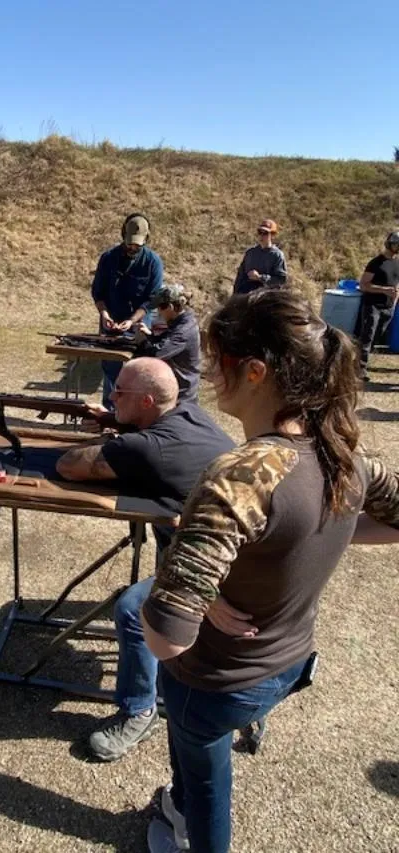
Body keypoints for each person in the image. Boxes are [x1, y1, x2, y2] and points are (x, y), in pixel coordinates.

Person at [140, 289, 399, 853]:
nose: (209, 373)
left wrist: (177, 578)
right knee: (193, 769)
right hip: (290, 661)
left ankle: (192, 831)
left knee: (206, 782)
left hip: (215, 682)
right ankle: (178, 807)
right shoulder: (348, 457)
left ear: (254, 371)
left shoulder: (238, 476)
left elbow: (163, 639)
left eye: (218, 360)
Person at [55, 358, 237, 762]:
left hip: (222, 572)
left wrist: (105, 437)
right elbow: (153, 434)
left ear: (149, 400)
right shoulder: (190, 412)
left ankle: (140, 709)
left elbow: (67, 465)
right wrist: (117, 421)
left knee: (135, 610)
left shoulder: (144, 448)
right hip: (242, 554)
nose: (111, 396)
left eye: (121, 393)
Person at [91, 214, 163, 407]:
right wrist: (105, 315)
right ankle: (109, 412)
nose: (132, 248)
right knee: (111, 369)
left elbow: (152, 299)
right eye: (130, 243)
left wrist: (132, 321)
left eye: (137, 245)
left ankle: (135, 413)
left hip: (139, 322)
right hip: (111, 320)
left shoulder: (153, 262)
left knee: (139, 370)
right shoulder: (108, 258)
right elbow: (98, 293)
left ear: (146, 240)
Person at [133, 284, 201, 403]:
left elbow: (157, 354)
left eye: (159, 309)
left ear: (169, 307)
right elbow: (164, 342)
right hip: (176, 388)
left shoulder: (183, 330)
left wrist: (142, 341)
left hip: (182, 395)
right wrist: (149, 336)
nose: (159, 313)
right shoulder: (181, 323)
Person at [356, 231, 399, 381]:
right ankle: (360, 369)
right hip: (373, 305)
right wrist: (383, 290)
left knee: (376, 337)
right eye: (396, 244)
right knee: (367, 336)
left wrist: (393, 303)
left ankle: (359, 362)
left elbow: (396, 284)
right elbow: (363, 285)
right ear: (389, 244)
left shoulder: (397, 263)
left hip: (388, 307)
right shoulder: (376, 263)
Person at [233, 219, 287, 294]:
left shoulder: (277, 255)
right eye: (260, 232)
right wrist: (235, 295)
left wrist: (260, 277)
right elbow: (240, 277)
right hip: (246, 295)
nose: (261, 236)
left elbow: (280, 280)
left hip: (267, 295)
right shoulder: (250, 253)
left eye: (265, 233)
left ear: (272, 235)